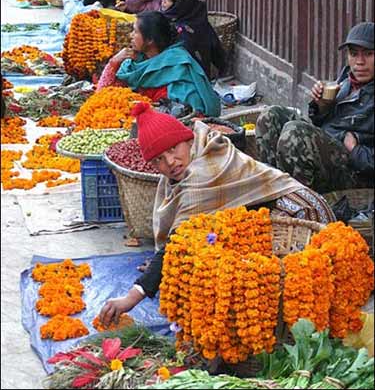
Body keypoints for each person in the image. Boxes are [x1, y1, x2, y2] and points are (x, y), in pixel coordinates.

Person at [98, 102, 335, 325]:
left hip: (301, 214)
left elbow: (179, 238)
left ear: (187, 141)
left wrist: (133, 295)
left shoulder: (205, 171)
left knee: (288, 286)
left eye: (173, 148)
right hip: (265, 214)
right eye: (159, 159)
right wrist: (164, 263)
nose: (171, 162)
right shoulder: (187, 167)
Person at [256, 21, 374, 194]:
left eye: (369, 54)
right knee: (270, 115)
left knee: (295, 133)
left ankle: (304, 204)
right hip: (330, 150)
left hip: (355, 174)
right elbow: (327, 123)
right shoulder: (347, 80)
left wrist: (355, 150)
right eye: (353, 54)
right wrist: (322, 106)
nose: (359, 62)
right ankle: (275, 191)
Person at [97, 11, 221, 116]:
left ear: (150, 40)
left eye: (135, 32)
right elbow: (101, 96)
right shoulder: (132, 63)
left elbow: (192, 111)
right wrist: (114, 63)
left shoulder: (176, 66)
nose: (131, 36)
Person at [160, 0, 227, 78]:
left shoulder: (182, 33)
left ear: (181, 3)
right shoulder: (197, 20)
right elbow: (220, 58)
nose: (163, 0)